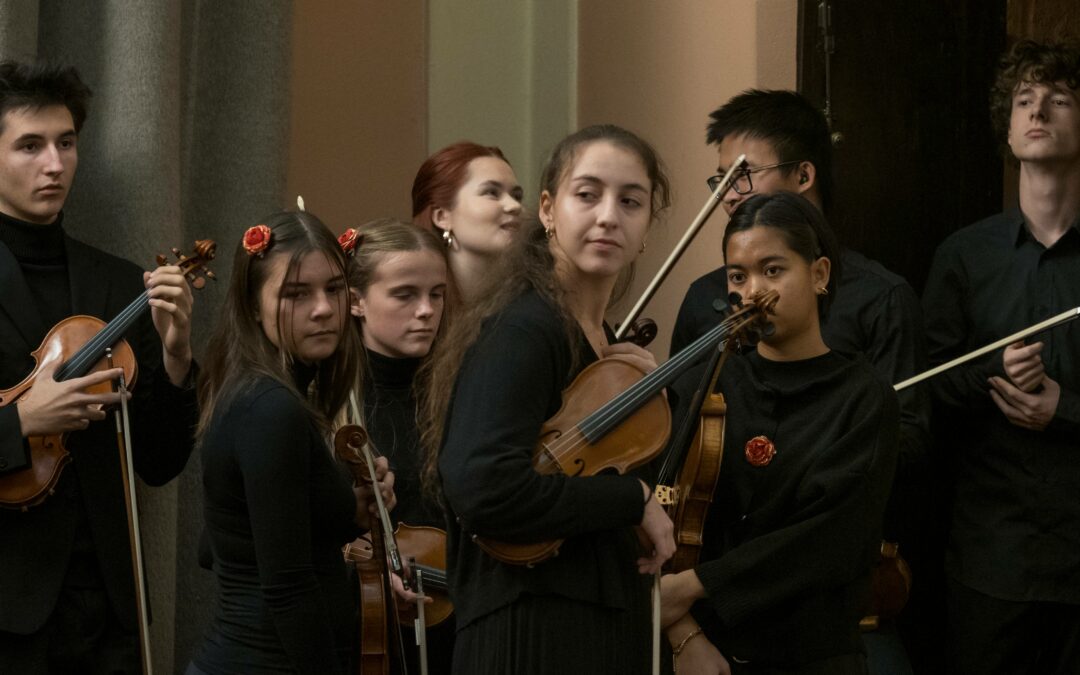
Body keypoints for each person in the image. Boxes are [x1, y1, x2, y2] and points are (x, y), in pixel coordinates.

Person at [669, 89, 929, 670]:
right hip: (710, 651)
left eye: (772, 270)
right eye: (737, 275)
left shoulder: (862, 396)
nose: (750, 291)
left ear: (818, 275)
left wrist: (691, 588)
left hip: (814, 651)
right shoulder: (708, 384)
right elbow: (667, 515)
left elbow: (829, 541)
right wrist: (685, 633)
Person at [423, 124, 676, 674]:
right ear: (546, 209)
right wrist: (630, 499)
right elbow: (483, 487)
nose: (608, 215)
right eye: (587, 195)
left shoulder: (599, 340)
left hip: (581, 630)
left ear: (647, 229)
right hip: (530, 636)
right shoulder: (525, 328)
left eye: (630, 201)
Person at [0, 61, 197, 673]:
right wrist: (21, 421)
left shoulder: (117, 282)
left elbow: (159, 463)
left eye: (66, 143)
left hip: (108, 611)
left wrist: (176, 353)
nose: (55, 164)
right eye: (29, 146)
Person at [921, 38, 1080, 675]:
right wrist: (995, 373)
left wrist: (1063, 406)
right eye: (1024, 99)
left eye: (1060, 98)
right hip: (993, 557)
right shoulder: (964, 256)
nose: (1039, 109)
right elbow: (925, 386)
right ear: (1009, 128)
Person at [188, 211, 394, 674]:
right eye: (296, 294)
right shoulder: (271, 408)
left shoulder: (254, 392)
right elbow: (288, 586)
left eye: (334, 289)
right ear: (253, 306)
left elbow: (217, 546)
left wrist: (349, 511)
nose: (323, 308)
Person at [344, 217, 451, 673]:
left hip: (457, 628)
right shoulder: (335, 404)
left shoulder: (456, 392)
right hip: (367, 632)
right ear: (356, 302)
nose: (426, 310)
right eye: (405, 294)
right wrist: (366, 572)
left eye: (436, 294)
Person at [411, 141, 524, 302]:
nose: (515, 206)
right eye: (492, 192)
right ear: (442, 217)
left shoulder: (530, 304)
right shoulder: (416, 309)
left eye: (517, 196)